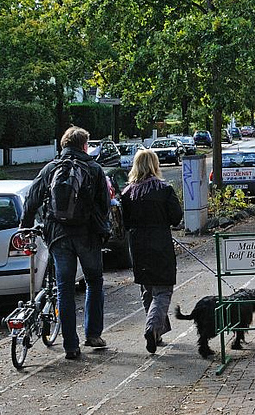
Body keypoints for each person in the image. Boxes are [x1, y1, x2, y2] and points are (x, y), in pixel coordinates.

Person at [21, 126, 109, 360]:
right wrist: (104, 231)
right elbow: (104, 205)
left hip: (59, 236)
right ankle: (93, 334)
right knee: (94, 282)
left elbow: (32, 199)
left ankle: (71, 344)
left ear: (63, 145)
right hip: (88, 236)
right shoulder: (94, 169)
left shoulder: (50, 169)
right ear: (84, 145)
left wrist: (26, 226)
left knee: (65, 289)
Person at [120, 148, 183, 354]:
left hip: (137, 245)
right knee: (163, 290)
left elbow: (125, 222)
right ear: (155, 165)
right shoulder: (163, 189)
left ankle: (158, 333)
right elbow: (176, 217)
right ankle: (152, 329)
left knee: (147, 289)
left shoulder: (128, 193)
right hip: (160, 243)